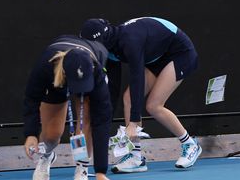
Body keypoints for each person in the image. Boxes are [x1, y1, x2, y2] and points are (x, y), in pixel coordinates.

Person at [78, 17, 200, 174]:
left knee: (153, 105)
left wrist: (134, 123)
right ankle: (135, 158)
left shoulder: (130, 42)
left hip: (179, 53)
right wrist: (104, 121)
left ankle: (190, 144)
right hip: (156, 56)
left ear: (100, 41)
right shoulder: (108, 49)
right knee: (127, 99)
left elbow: (137, 79)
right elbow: (113, 89)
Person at [23, 34, 112, 180]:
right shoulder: (45, 66)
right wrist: (31, 134)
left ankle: (82, 167)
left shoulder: (95, 70)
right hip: (56, 82)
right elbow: (31, 100)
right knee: (52, 135)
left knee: (87, 120)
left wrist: (100, 172)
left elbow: (102, 119)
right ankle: (47, 156)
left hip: (90, 79)